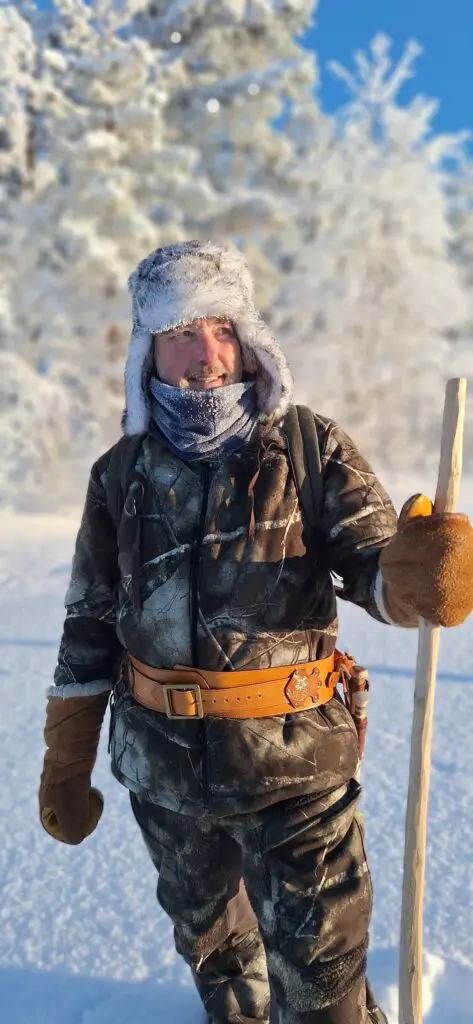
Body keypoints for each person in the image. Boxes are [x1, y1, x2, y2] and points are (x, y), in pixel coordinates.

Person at [38, 241, 473, 1024]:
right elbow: (89, 622)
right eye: (179, 333)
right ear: (148, 352)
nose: (205, 355)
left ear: (248, 337)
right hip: (163, 776)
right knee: (223, 971)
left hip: (297, 770)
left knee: (323, 991)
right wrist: (66, 765)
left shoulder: (310, 447)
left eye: (220, 327)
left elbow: (375, 568)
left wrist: (415, 578)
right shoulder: (119, 473)